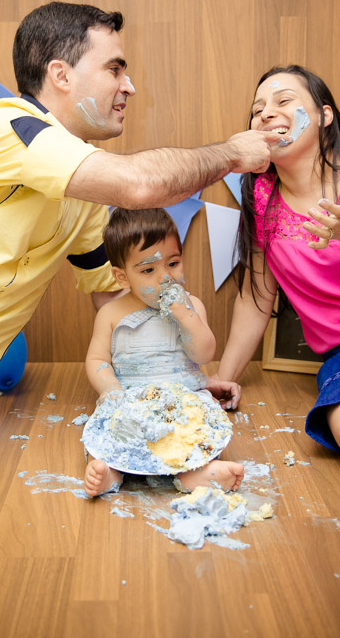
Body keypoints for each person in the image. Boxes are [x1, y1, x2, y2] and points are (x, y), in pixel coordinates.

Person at [0, 1, 279, 511]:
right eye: (115, 68)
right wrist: (230, 153)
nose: (129, 86)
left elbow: (117, 294)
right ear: (60, 75)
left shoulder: (85, 207)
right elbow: (139, 184)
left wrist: (176, 376)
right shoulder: (5, 124)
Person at [214, 64, 340, 465]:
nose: (266, 113)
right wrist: (224, 378)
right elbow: (255, 300)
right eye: (258, 109)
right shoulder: (262, 199)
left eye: (283, 101)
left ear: (323, 116)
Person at [83, 207, 244, 497]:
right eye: (148, 270)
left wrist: (186, 316)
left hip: (184, 401)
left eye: (173, 263)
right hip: (131, 401)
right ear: (122, 277)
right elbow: (97, 360)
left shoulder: (191, 304)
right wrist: (111, 392)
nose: (165, 277)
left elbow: (204, 355)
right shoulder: (111, 313)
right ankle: (111, 472)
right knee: (110, 434)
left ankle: (197, 473)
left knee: (198, 433)